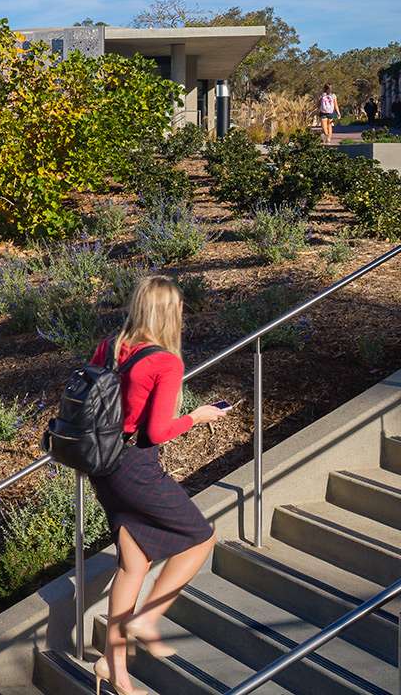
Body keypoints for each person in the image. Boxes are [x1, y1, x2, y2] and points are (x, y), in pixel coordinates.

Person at [85, 276, 230, 695]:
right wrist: (197, 417)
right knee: (201, 538)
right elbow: (157, 430)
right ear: (170, 313)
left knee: (133, 565)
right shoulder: (166, 362)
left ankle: (115, 671)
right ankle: (148, 618)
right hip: (135, 466)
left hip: (102, 464)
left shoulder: (108, 347)